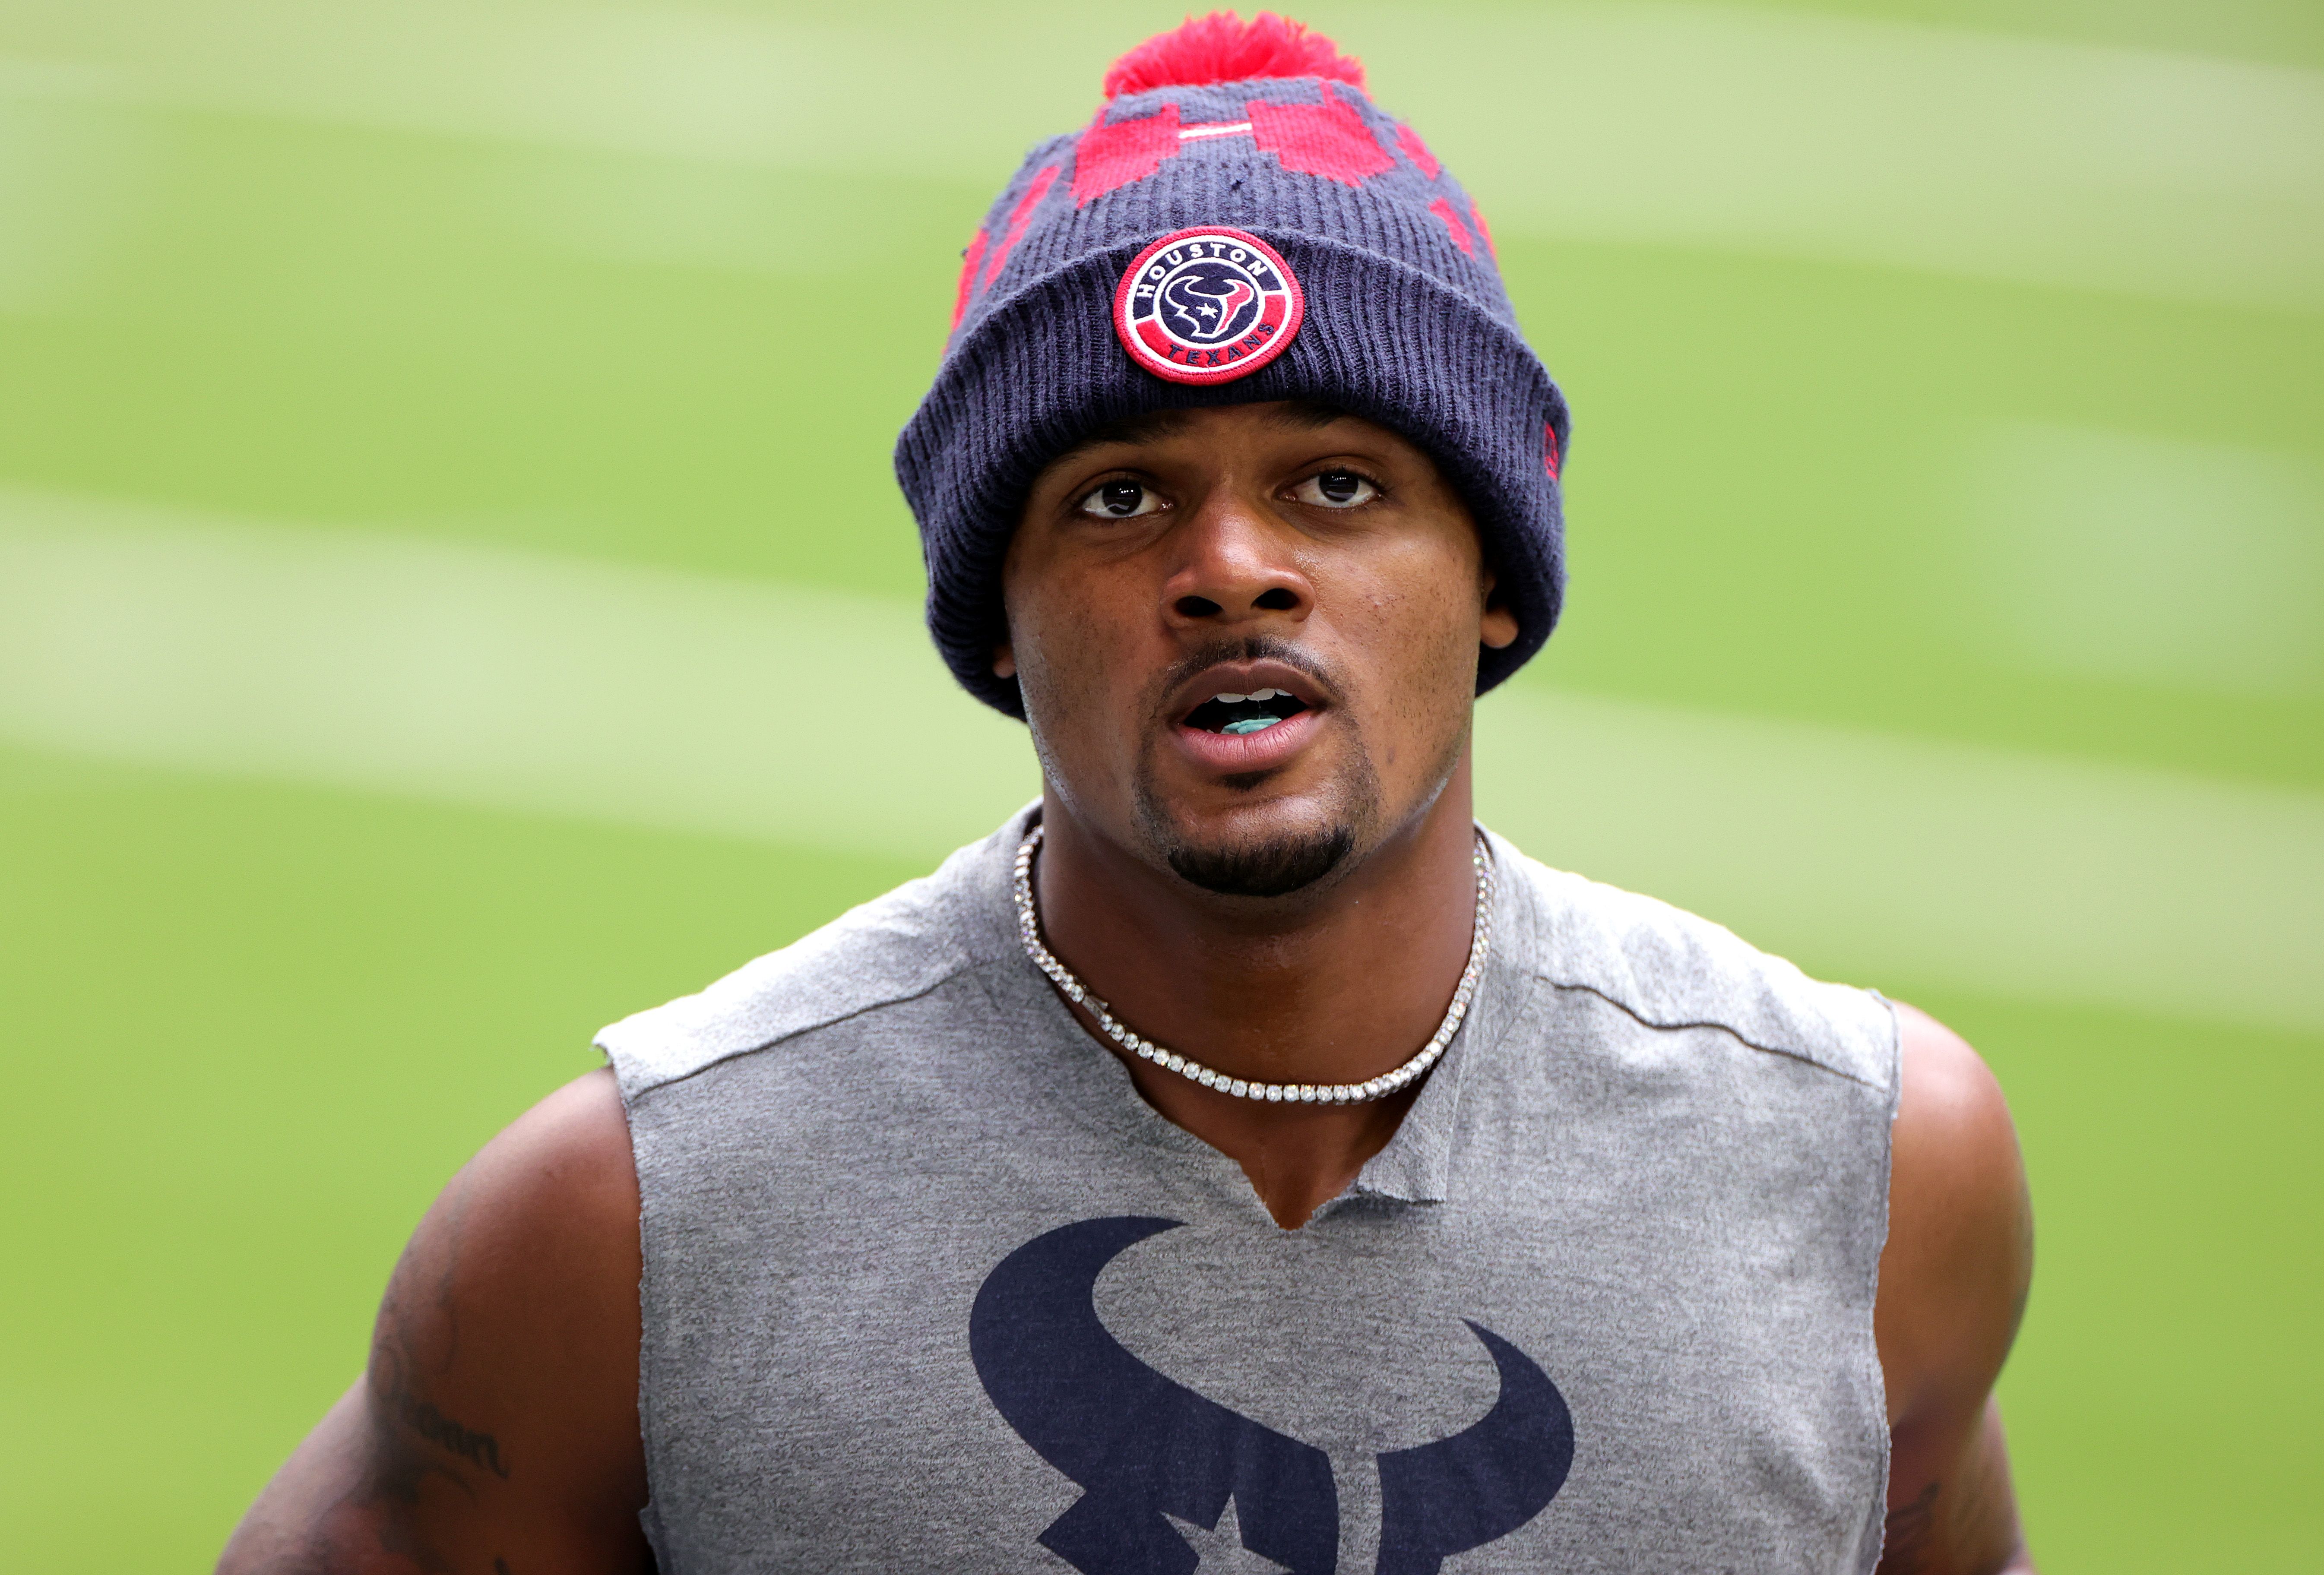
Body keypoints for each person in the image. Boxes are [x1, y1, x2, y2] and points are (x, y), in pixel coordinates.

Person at [220, 13, 2035, 1575]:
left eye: (1337, 486)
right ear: (991, 623)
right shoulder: (629, 1227)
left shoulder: (1867, 1169)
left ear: (1495, 572)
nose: (1232, 567)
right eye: (1115, 497)